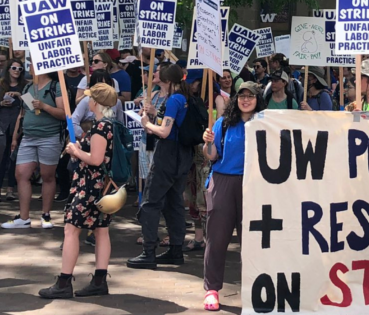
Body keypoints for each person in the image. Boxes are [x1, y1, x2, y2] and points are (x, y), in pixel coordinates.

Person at [38, 83, 118, 299]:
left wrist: (75, 150)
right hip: (102, 186)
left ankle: (64, 282)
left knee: (71, 229)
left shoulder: (101, 127)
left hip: (90, 186)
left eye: (90, 97)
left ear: (96, 102)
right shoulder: (110, 124)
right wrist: (80, 149)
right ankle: (99, 281)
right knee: (101, 230)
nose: (87, 100)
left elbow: (96, 159)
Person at [201, 81, 264, 311]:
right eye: (241, 96)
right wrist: (207, 143)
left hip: (254, 185)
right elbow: (211, 155)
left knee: (252, 241)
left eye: (250, 96)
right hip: (223, 181)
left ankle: (254, 289)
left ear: (258, 99)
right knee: (216, 238)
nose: (245, 100)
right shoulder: (223, 124)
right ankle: (212, 289)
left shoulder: (267, 124)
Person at [128, 64, 193, 269]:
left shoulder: (174, 99)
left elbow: (164, 132)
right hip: (183, 154)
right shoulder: (185, 97)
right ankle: (175, 249)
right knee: (174, 203)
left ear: (167, 81)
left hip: (168, 154)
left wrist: (146, 123)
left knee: (151, 202)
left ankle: (149, 251)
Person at [2, 71, 66, 230]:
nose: (30, 65)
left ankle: (46, 215)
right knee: (21, 174)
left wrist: (44, 106)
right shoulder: (28, 87)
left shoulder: (55, 86)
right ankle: (24, 217)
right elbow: (24, 113)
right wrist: (16, 136)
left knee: (47, 176)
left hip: (50, 137)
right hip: (28, 137)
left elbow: (64, 114)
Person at [0, 59, 28, 203]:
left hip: (19, 129)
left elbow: (31, 104)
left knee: (15, 160)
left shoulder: (26, 86)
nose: (16, 70)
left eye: (20, 68)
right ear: (8, 69)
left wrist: (19, 96)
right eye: (14, 67)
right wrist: (0, 103)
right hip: (1, 128)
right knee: (0, 160)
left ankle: (11, 189)